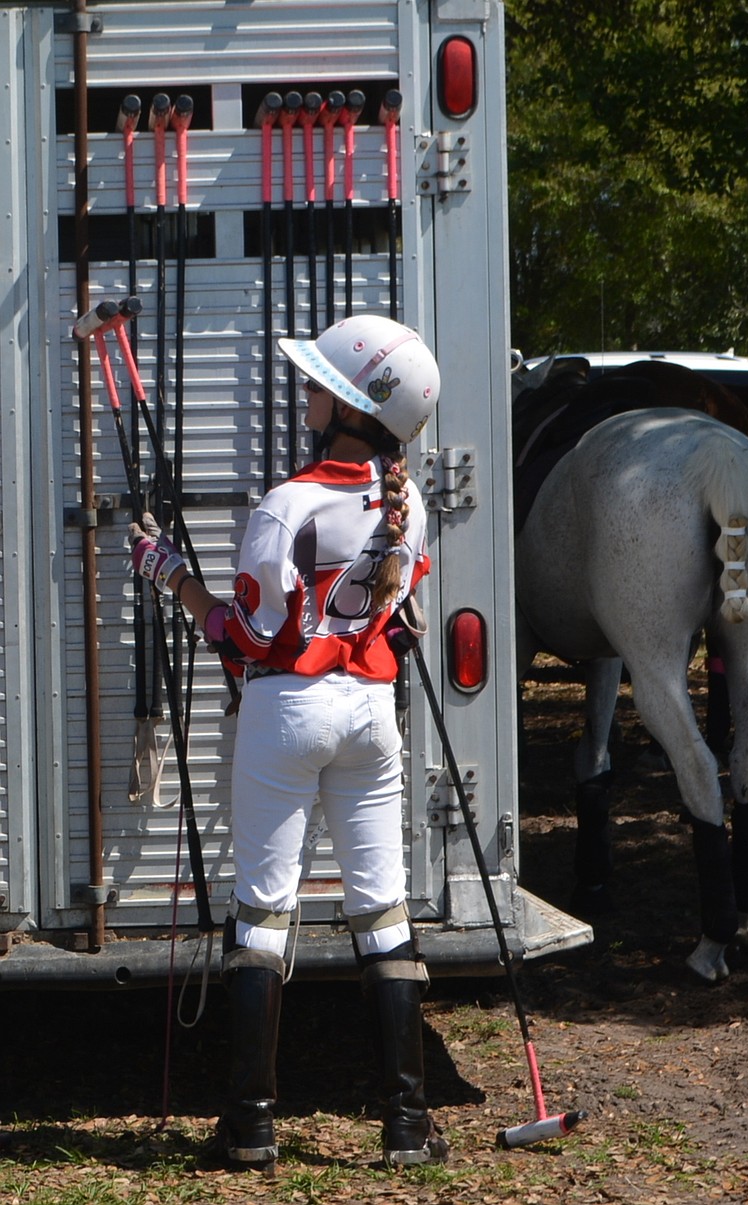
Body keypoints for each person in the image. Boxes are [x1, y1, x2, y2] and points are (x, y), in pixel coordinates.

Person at [130, 314, 448, 1172]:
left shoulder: (286, 504)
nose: (304, 392)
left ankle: (251, 1125)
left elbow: (246, 635)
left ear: (349, 405)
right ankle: (409, 1122)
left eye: (317, 383)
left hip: (290, 714)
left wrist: (170, 575)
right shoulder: (407, 502)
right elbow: (395, 600)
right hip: (371, 717)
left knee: (265, 912)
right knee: (382, 908)